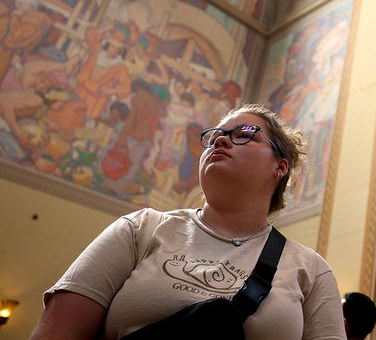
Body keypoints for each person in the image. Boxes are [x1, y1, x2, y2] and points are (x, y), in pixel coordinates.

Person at [31, 103, 346, 340]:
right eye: (214, 138)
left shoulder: (310, 270)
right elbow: (57, 332)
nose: (220, 142)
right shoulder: (140, 229)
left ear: (280, 166)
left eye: (244, 135)